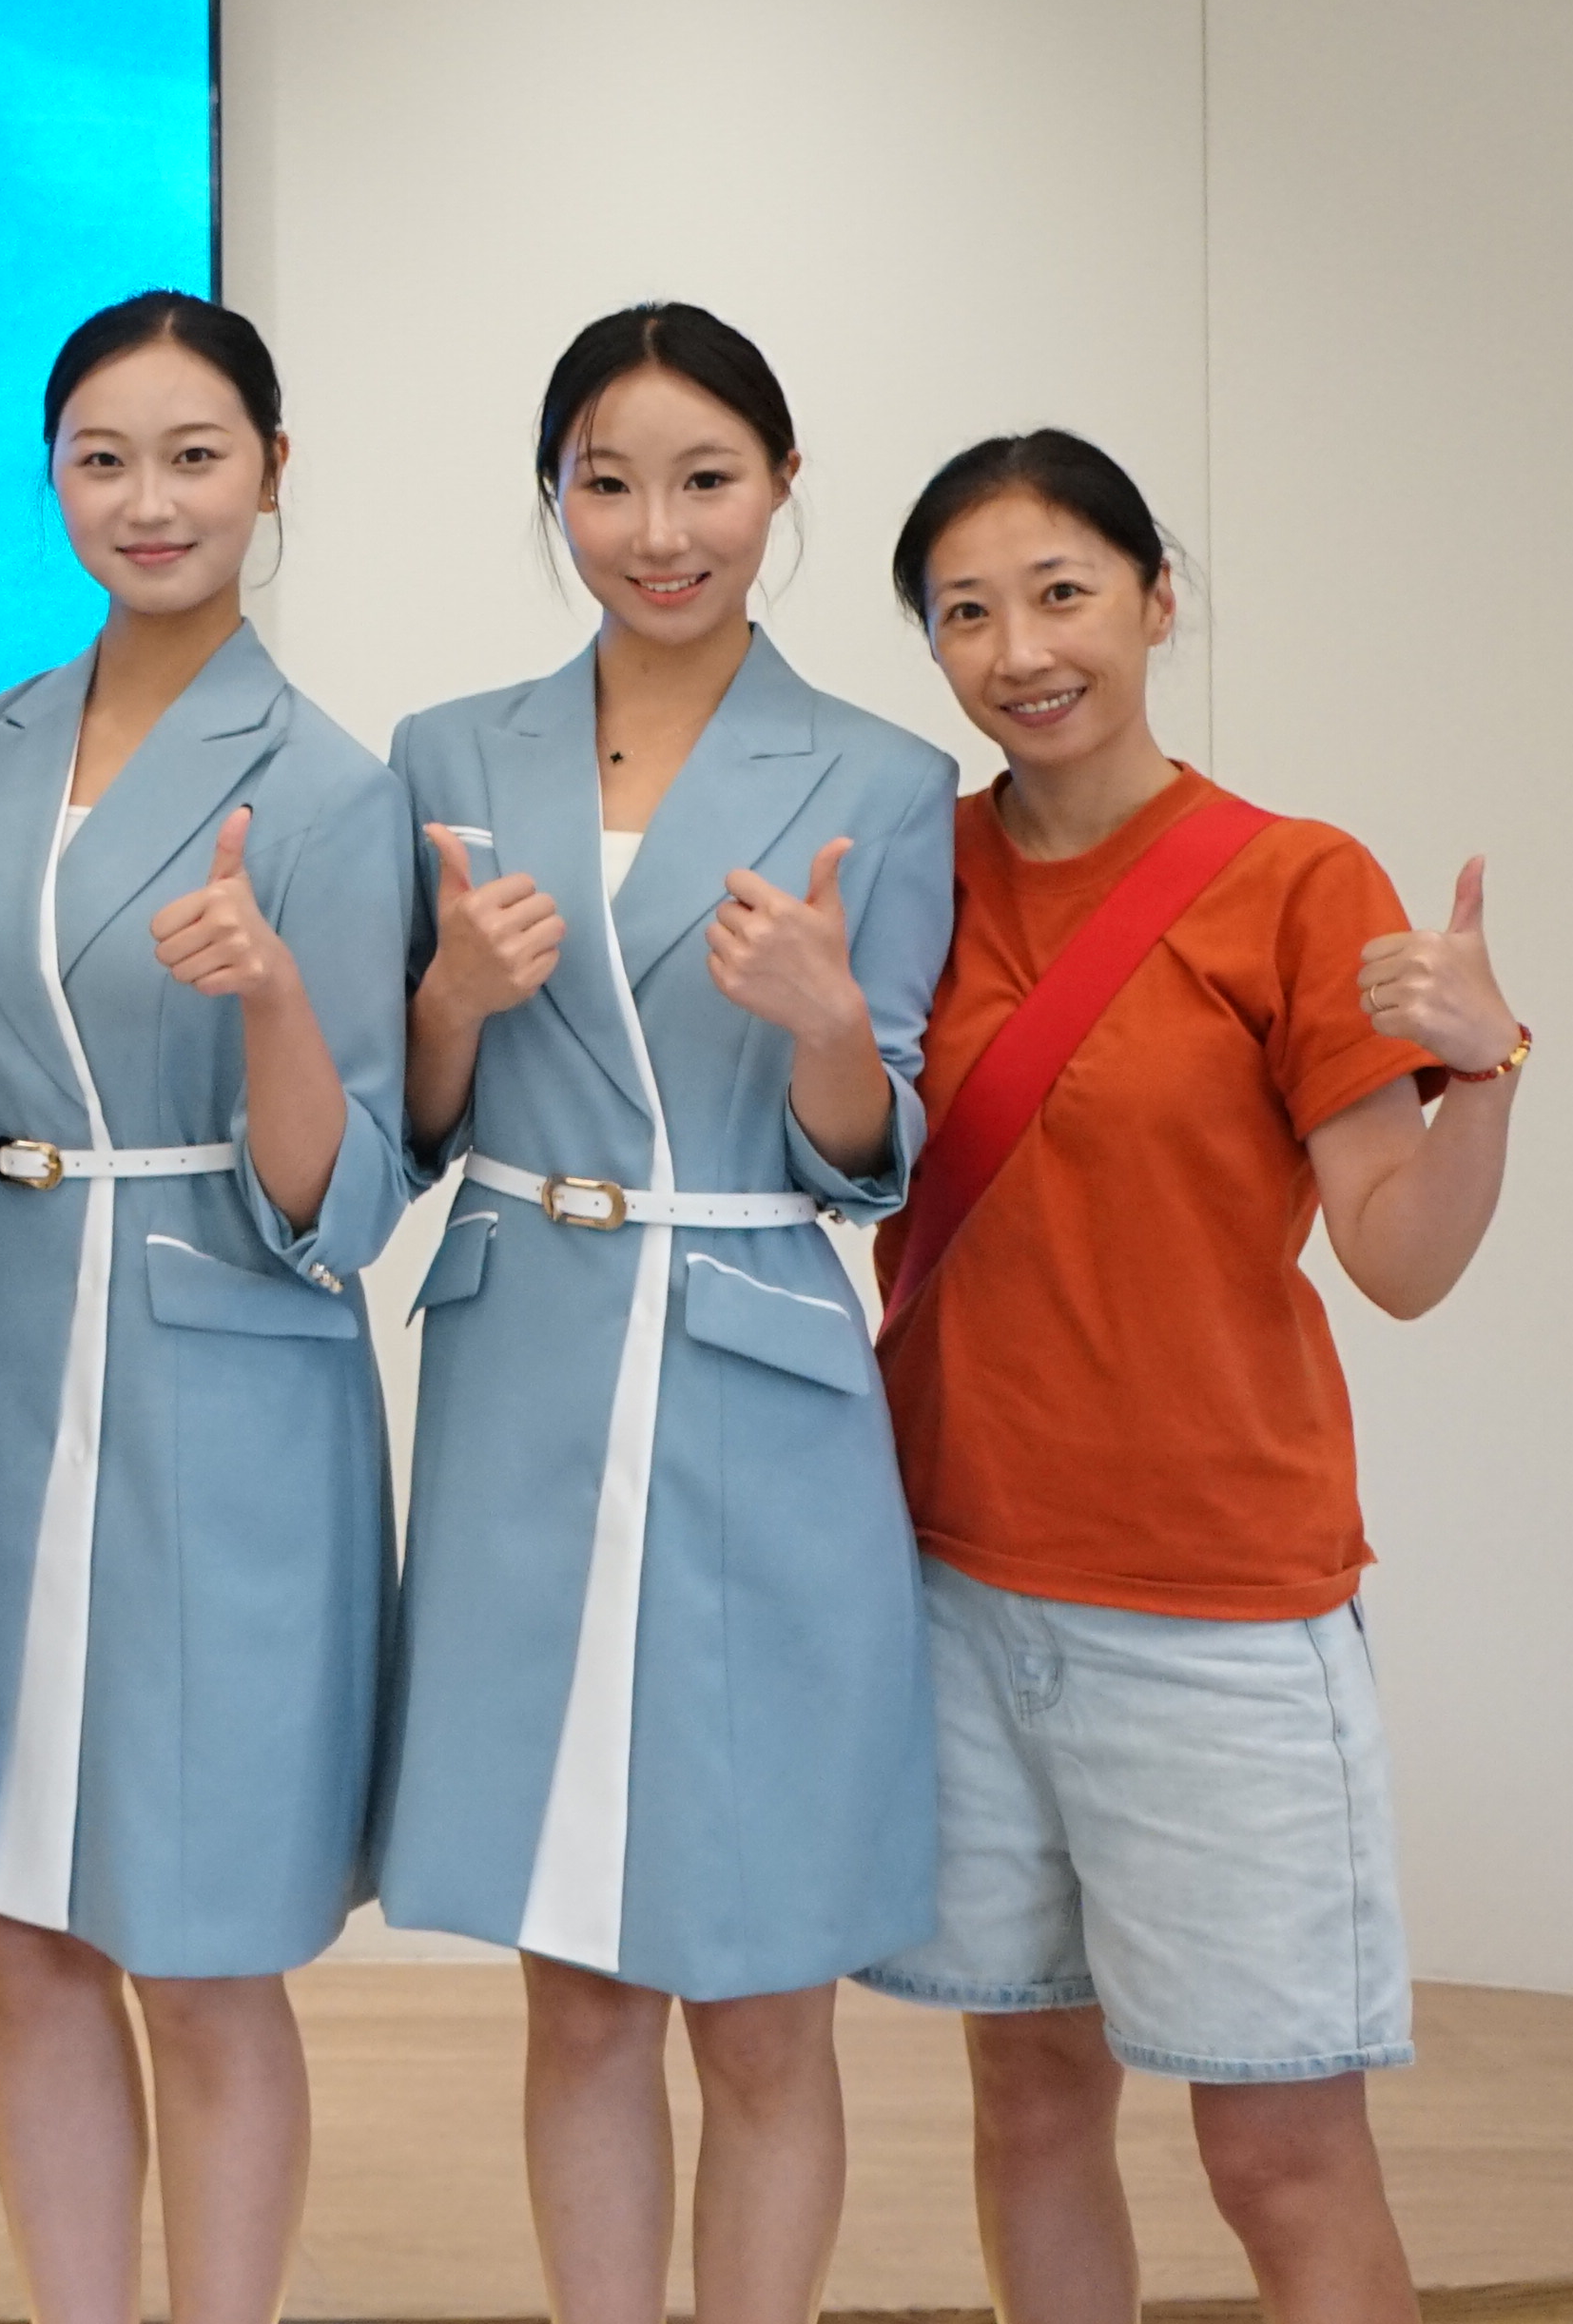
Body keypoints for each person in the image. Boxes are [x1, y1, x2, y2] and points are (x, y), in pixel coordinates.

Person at [861, 432, 1530, 2324]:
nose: (1019, 650)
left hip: (1217, 1612)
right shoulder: (916, 867)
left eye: (1062, 592)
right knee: (1030, 2098)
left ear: (1158, 600)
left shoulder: (1295, 883)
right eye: (966, 612)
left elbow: (1398, 1256)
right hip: (954, 1583)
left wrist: (1486, 1070)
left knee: (1280, 2152)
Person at [0, 290, 412, 2324]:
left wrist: (274, 999)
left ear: (271, 469)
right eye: (104, 459)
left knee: (206, 1940)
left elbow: (344, 1204)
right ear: (54, 478)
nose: (148, 500)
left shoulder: (331, 788)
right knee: (22, 1928)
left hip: (229, 1399)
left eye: (194, 456)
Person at [369, 301, 958, 2324]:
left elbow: (869, 1161)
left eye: (705, 478)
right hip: (526, 1364)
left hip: (757, 1388)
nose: (657, 529)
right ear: (555, 496)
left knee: (767, 1990)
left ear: (781, 485)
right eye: (606, 483)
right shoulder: (453, 753)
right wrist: (451, 999)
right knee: (581, 1984)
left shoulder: (885, 775)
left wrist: (825, 1025)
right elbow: (412, 1128)